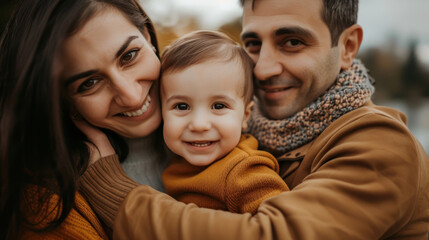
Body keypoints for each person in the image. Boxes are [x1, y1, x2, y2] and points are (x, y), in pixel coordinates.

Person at [80, 0, 429, 239]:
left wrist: (118, 195)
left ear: (349, 46)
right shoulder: (255, 131)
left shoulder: (381, 143)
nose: (262, 68)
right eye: (252, 43)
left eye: (292, 42)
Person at [0, 0, 168, 239]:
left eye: (129, 56)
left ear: (148, 36)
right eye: (89, 83)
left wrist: (116, 191)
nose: (131, 97)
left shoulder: (231, 125)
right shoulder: (48, 204)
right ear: (62, 100)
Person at [160, 30, 288, 214]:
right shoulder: (176, 161)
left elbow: (279, 226)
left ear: (245, 116)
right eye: (181, 107)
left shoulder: (243, 171)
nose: (199, 124)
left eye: (219, 106)